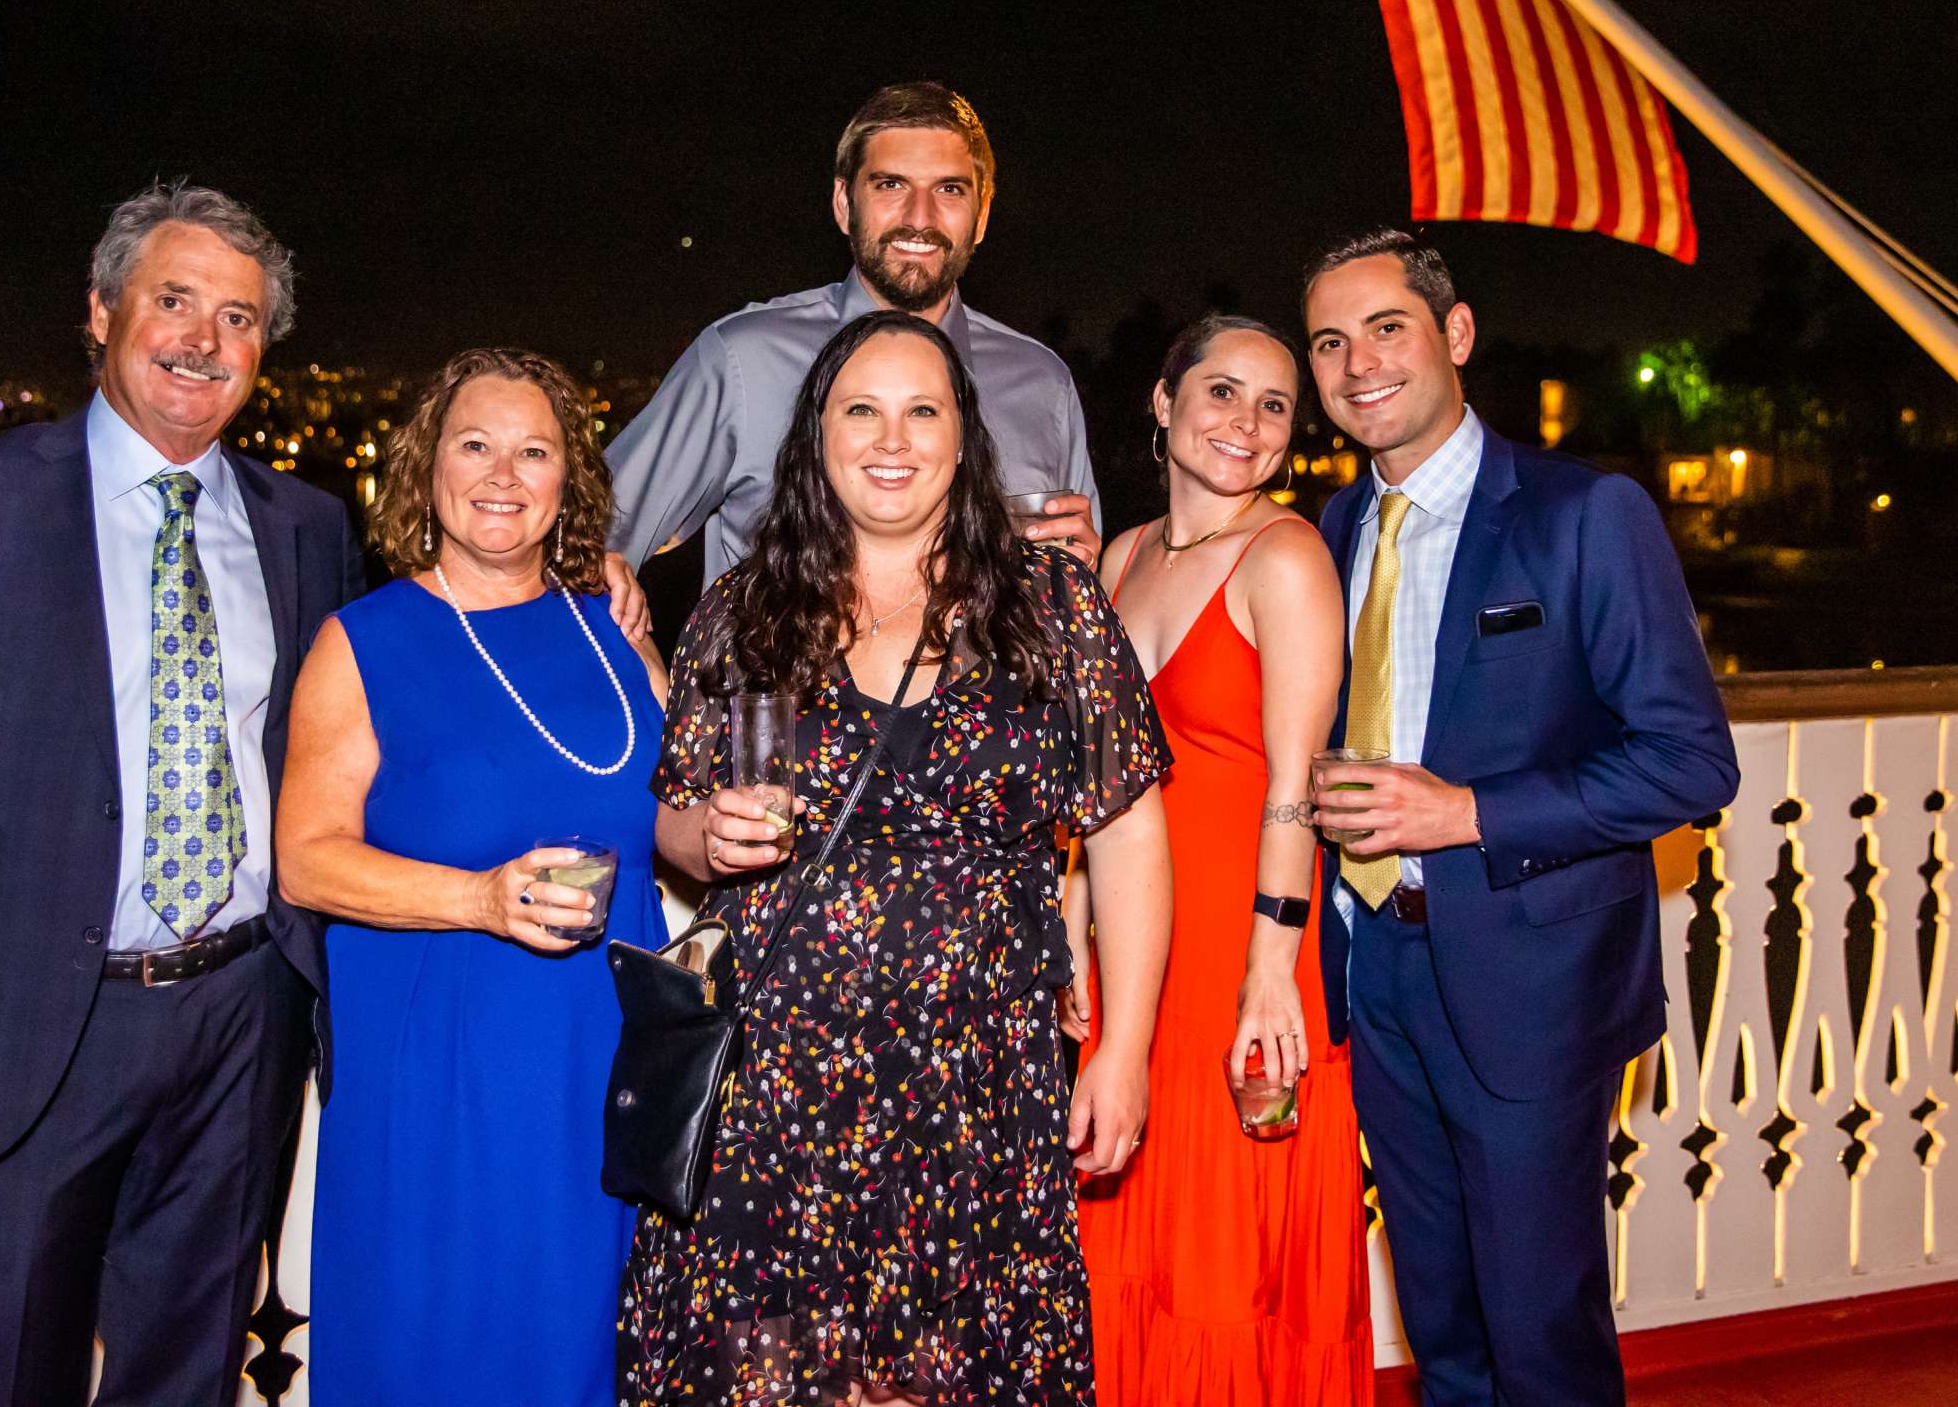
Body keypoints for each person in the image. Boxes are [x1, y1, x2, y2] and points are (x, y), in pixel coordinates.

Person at [0, 182, 360, 1404]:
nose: (205, 340)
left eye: (241, 319)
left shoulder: (308, 527)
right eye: (175, 301)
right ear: (101, 312)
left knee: (187, 1365)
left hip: (241, 1016)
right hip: (23, 1019)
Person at [619, 309, 1175, 1405]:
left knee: (956, 1375)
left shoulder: (1054, 608)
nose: (892, 437)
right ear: (815, 435)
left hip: (979, 1082)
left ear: (963, 437)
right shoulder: (745, 612)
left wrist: (1126, 1047)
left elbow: (1128, 829)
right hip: (781, 1077)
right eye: (860, 409)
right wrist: (709, 833)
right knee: (774, 1377)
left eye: (922, 410)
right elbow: (672, 816)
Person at [1302, 230, 1739, 1406]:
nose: (1357, 365)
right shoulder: (1332, 534)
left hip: (1530, 983)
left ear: (1454, 335)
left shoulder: (1585, 512)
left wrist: (1470, 813)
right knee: (1443, 1327)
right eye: (1330, 342)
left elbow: (1692, 762)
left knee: (1541, 1337)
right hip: (1374, 969)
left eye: (1386, 328)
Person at [273, 347, 669, 1407]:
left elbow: (664, 816)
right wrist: (479, 899)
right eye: (476, 444)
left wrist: (720, 828)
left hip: (605, 1067)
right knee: (443, 1345)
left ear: (567, 481)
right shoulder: (364, 641)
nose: (504, 473)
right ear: (427, 468)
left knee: (589, 1347)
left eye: (534, 449)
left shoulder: (614, 626)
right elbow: (305, 860)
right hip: (443, 1075)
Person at [1074, 315, 1374, 1401]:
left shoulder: (1286, 557)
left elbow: (1297, 789)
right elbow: (1089, 782)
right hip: (1136, 958)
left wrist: (1268, 971)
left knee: (1226, 1257)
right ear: (1162, 403)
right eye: (1220, 392)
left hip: (1244, 954)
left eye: (1273, 405)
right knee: (1127, 1239)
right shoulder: (1122, 555)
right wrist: (1074, 935)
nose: (1244, 423)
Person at [606, 80, 1103, 586]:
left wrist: (1079, 577)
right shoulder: (741, 361)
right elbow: (585, 545)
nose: (919, 218)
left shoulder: (1042, 383)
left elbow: (1074, 610)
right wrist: (645, 660)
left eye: (949, 190)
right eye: (891, 185)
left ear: (981, 217)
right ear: (844, 204)